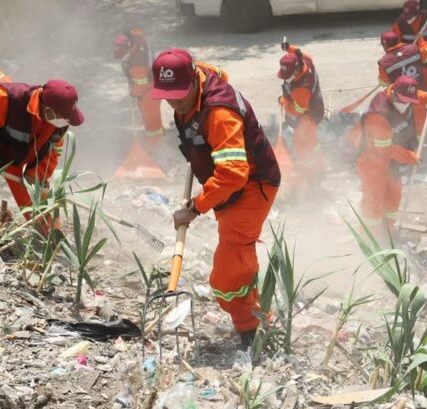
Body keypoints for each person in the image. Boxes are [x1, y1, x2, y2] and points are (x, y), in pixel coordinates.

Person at [150, 48, 280, 348]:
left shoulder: (220, 113)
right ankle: (257, 315)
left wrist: (195, 207)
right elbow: (218, 73)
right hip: (227, 188)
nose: (173, 102)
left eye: (179, 95)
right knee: (238, 259)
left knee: (225, 279)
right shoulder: (198, 77)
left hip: (250, 188)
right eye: (167, 96)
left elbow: (234, 173)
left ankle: (254, 332)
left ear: (193, 81)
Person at [0, 80, 84, 242]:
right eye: (64, 117)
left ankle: (52, 241)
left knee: (40, 204)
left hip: (12, 156)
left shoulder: (59, 123)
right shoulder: (6, 99)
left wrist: (35, 176)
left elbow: (52, 153)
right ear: (48, 110)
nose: (66, 121)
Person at [357, 75, 427, 236]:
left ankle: (388, 233)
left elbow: (416, 96)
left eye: (409, 101)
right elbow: (385, 149)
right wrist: (410, 156)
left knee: (393, 198)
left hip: (391, 163)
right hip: (373, 163)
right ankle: (370, 237)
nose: (406, 105)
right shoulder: (378, 114)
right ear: (393, 93)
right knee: (374, 202)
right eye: (403, 101)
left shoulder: (404, 95)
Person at [277, 41, 325, 193]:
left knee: (304, 146)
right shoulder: (306, 60)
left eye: (288, 76)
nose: (286, 79)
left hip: (307, 117)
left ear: (297, 70)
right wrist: (289, 48)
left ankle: (310, 177)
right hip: (314, 107)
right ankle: (317, 166)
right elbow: (298, 53)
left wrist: (284, 101)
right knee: (312, 144)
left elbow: (298, 111)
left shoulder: (301, 89)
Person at [392, 0, 427, 115]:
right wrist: (399, 56)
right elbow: (396, 45)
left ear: (418, 13)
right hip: (410, 60)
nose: (408, 19)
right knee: (412, 83)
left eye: (410, 16)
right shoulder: (400, 23)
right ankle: (413, 104)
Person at [113, 29, 164, 142]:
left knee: (151, 121)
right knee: (154, 117)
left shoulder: (137, 64)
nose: (123, 57)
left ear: (129, 47)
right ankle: (159, 135)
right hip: (152, 86)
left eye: (123, 54)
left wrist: (134, 92)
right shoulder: (137, 41)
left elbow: (141, 84)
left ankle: (154, 145)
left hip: (149, 93)